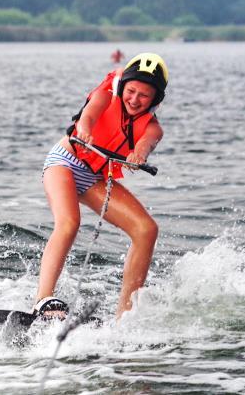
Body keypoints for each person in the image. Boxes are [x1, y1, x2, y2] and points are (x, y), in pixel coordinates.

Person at [33, 53, 168, 320]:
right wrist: (84, 127)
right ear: (123, 87)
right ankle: (42, 300)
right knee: (69, 222)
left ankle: (125, 317)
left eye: (144, 95)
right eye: (131, 91)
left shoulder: (153, 128)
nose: (134, 99)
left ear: (155, 100)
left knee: (146, 229)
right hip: (65, 161)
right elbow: (90, 114)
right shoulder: (108, 92)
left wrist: (139, 155)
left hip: (94, 178)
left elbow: (146, 143)